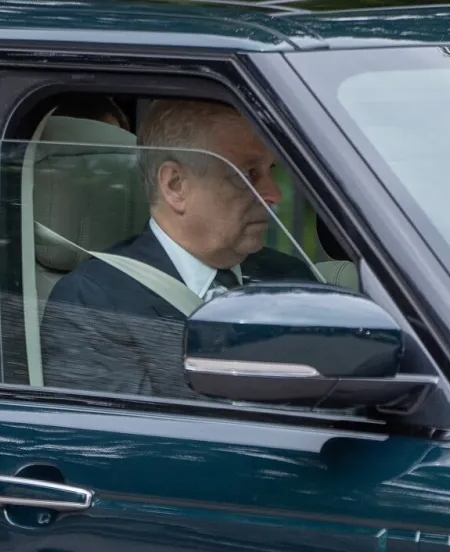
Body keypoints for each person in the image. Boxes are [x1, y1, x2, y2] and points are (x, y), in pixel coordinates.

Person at [40, 99, 316, 397]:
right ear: (175, 185)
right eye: (247, 174)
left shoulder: (291, 280)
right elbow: (133, 439)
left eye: (270, 169)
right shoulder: (92, 304)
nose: (273, 194)